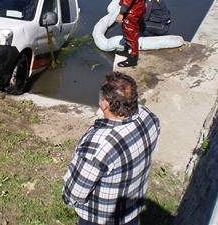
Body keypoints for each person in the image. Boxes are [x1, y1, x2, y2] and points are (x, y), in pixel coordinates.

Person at [63, 72, 160, 225]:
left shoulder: (99, 145)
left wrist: (67, 196)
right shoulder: (149, 118)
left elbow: (75, 192)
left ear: (105, 104)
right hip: (131, 210)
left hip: (102, 218)